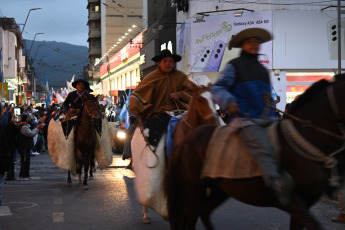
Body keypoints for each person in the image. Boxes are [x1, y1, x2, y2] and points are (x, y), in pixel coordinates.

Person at [211, 28, 293, 206]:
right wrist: (229, 101)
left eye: (256, 41)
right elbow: (217, 88)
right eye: (250, 41)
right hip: (244, 119)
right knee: (262, 146)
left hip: (267, 118)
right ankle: (276, 184)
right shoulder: (234, 66)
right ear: (243, 45)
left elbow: (266, 97)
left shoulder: (263, 70)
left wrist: (270, 103)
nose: (254, 44)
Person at [129, 49, 194, 147]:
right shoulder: (151, 77)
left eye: (170, 61)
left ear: (174, 63)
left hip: (181, 112)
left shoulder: (181, 77)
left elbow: (192, 95)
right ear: (159, 63)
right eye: (165, 61)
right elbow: (136, 94)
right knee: (153, 135)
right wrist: (135, 106)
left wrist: (180, 94)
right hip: (159, 114)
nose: (168, 63)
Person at [17, 114, 45, 181]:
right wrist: (37, 128)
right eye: (28, 118)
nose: (29, 119)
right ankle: (22, 175)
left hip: (25, 146)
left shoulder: (23, 125)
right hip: (24, 146)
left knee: (26, 160)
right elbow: (30, 134)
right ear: (26, 119)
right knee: (24, 161)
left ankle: (26, 175)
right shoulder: (23, 127)